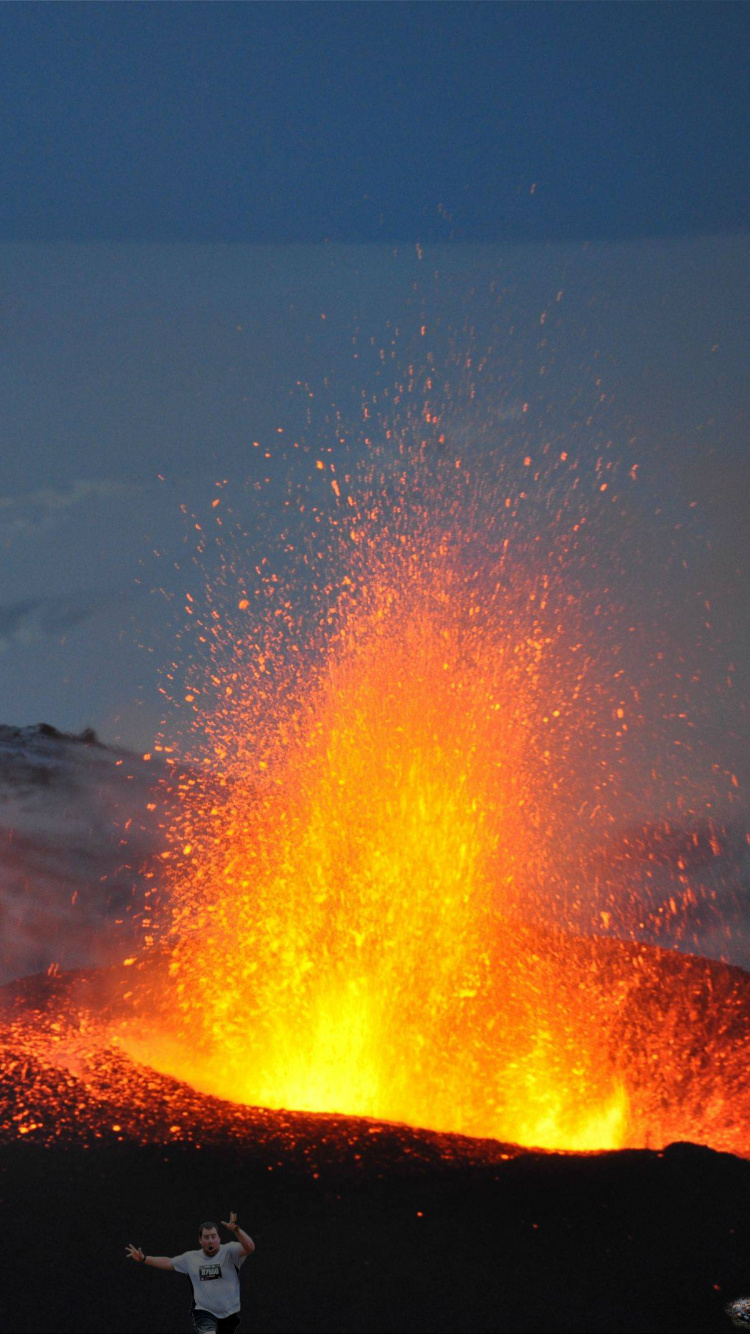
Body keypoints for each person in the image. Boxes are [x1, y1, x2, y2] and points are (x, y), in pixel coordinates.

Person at [126, 1211, 255, 1334]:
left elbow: (250, 1247)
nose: (210, 1241)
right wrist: (144, 1258)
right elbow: (169, 1262)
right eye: (206, 1237)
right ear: (200, 1240)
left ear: (219, 1238)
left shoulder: (230, 1251)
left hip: (229, 1314)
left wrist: (237, 1230)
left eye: (213, 1237)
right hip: (204, 1312)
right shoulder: (190, 1258)